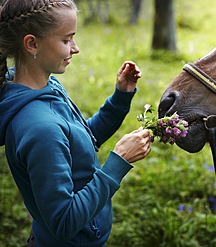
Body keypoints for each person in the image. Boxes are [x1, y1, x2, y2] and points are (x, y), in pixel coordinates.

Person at [0, 0, 151, 246]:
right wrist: (118, 162)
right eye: (66, 39)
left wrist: (120, 97)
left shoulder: (44, 87)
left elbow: (80, 141)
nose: (76, 48)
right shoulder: (40, 129)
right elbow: (64, 222)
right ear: (32, 44)